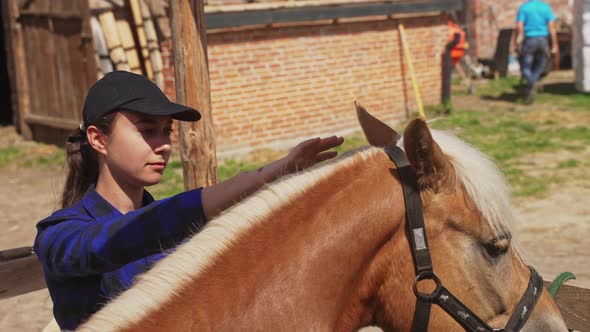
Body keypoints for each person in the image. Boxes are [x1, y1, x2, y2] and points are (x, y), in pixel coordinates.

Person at [33, 71, 344, 330]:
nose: (164, 145)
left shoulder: (175, 235)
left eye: (166, 131)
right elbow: (116, 241)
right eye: (146, 131)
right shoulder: (59, 236)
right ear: (98, 139)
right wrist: (264, 176)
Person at [512, 0, 558, 103]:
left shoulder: (524, 8)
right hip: (543, 40)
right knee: (540, 65)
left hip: (529, 40)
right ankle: (534, 82)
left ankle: (531, 82)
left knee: (525, 66)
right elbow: (552, 27)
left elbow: (519, 26)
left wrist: (517, 42)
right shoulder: (546, 8)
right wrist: (554, 44)